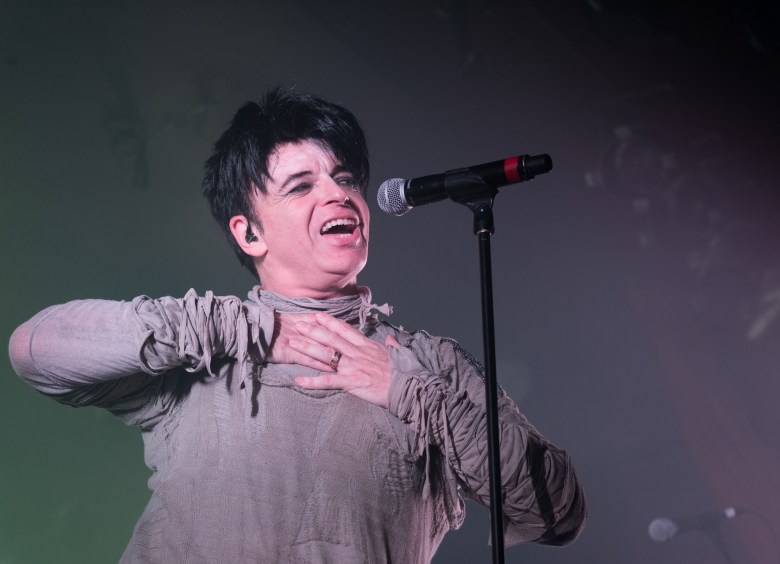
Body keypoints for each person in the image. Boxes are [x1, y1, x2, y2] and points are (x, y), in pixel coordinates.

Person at [8, 87, 586, 563]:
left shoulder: (425, 367)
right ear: (249, 233)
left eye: (345, 179)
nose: (339, 195)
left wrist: (406, 391)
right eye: (301, 185)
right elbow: (35, 349)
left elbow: (558, 513)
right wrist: (243, 330)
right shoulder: (204, 350)